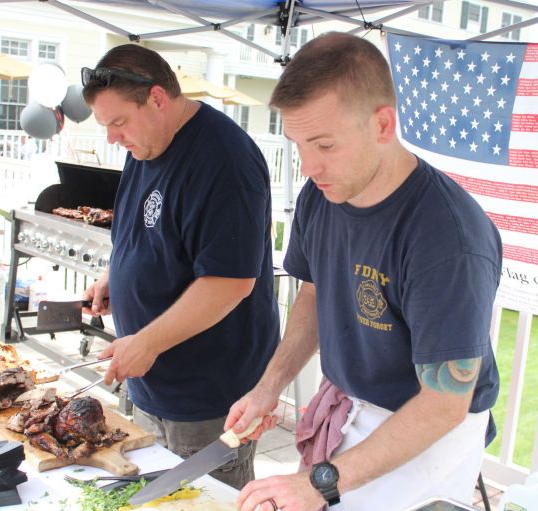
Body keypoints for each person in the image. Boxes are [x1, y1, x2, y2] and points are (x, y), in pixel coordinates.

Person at [227, 32, 502, 511]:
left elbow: (444, 404)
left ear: (382, 124)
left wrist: (319, 483)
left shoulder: (447, 238)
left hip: (424, 431)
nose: (309, 166)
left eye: (325, 144)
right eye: (298, 145)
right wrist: (268, 387)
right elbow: (314, 295)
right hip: (348, 406)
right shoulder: (322, 193)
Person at [80, 44, 280, 489]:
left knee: (200, 500)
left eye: (118, 122)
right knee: (152, 497)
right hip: (153, 385)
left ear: (156, 98)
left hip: (208, 397)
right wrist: (116, 277)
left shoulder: (224, 160)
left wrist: (147, 341)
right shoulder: (146, 144)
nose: (113, 138)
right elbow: (140, 230)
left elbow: (230, 283)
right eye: (106, 126)